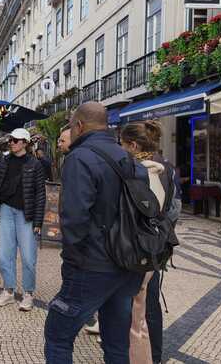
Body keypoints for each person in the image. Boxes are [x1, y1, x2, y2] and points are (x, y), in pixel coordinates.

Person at [44, 102, 146, 364]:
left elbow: (75, 218)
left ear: (79, 126)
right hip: (128, 264)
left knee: (58, 335)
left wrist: (73, 262)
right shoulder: (129, 158)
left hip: (92, 265)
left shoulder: (80, 158)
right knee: (116, 343)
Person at [119, 121, 179, 364]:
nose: (120, 148)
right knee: (145, 309)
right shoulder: (166, 168)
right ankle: (154, 357)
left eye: (122, 144)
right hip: (155, 246)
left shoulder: (135, 170)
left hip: (137, 249)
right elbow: (173, 209)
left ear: (133, 145)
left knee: (136, 315)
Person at [0, 128, 46, 311]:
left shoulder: (35, 164)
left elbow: (40, 195)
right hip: (6, 210)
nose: (11, 143)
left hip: (26, 214)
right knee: (5, 254)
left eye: (15, 140)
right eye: (11, 140)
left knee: (29, 257)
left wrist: (38, 222)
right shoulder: (5, 161)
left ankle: (28, 293)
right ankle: (9, 290)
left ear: (24, 142)